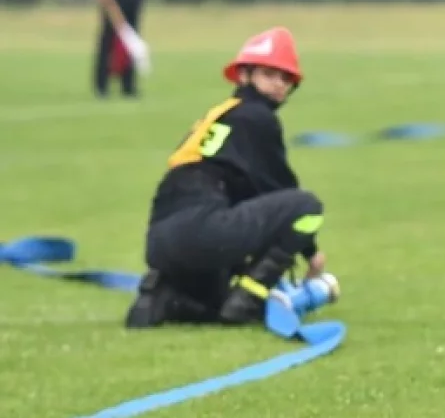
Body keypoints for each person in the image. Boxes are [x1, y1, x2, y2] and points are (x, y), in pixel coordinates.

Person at [124, 26, 328, 328]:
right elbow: (280, 189)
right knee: (306, 206)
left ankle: (164, 293)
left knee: (213, 302)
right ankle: (249, 299)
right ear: (244, 74)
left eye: (286, 79)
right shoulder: (259, 118)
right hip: (205, 231)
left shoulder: (221, 115)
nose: (279, 85)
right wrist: (311, 253)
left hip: (160, 241)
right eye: (270, 74)